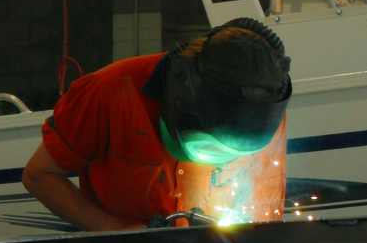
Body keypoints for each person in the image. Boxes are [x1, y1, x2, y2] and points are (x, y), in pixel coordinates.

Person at [22, 19, 292, 232]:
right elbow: (39, 175)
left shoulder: (265, 109)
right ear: (183, 90)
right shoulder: (111, 90)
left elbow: (262, 209)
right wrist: (111, 230)